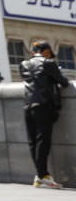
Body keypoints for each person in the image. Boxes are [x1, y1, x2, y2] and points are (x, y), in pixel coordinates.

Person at [21, 40, 72, 190]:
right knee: (43, 141)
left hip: (27, 105)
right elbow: (63, 82)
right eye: (49, 53)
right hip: (43, 105)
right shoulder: (48, 63)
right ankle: (43, 176)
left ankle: (39, 175)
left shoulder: (24, 64)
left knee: (33, 142)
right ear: (45, 51)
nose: (49, 56)